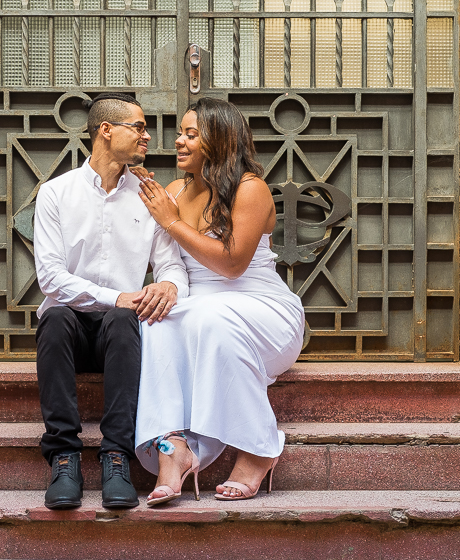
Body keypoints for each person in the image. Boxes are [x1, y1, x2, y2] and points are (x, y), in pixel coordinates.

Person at [132, 97, 305, 504]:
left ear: (220, 140)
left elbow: (231, 266)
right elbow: (167, 263)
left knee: (211, 317)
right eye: (180, 133)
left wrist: (171, 221)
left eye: (191, 134)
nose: (178, 141)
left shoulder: (250, 189)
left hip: (263, 310)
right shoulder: (173, 190)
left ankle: (259, 449)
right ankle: (173, 448)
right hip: (199, 311)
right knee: (156, 319)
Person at [33, 92, 188, 510]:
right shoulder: (56, 193)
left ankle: (116, 456)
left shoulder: (149, 195)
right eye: (138, 127)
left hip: (121, 337)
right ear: (106, 130)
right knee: (55, 318)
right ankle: (64, 458)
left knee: (122, 319)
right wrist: (116, 294)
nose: (147, 136)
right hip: (69, 335)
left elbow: (171, 265)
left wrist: (169, 287)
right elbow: (50, 277)